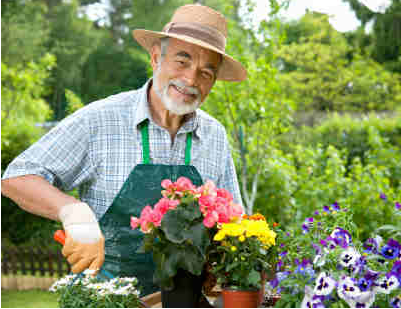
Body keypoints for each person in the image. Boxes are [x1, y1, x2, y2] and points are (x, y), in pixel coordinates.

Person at [1, 4, 246, 307]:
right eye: (182, 61)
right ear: (156, 57)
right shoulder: (100, 120)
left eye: (206, 72)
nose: (191, 79)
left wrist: (224, 261)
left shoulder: (215, 136)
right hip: (104, 301)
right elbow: (17, 177)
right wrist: (74, 213)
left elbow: (236, 222)